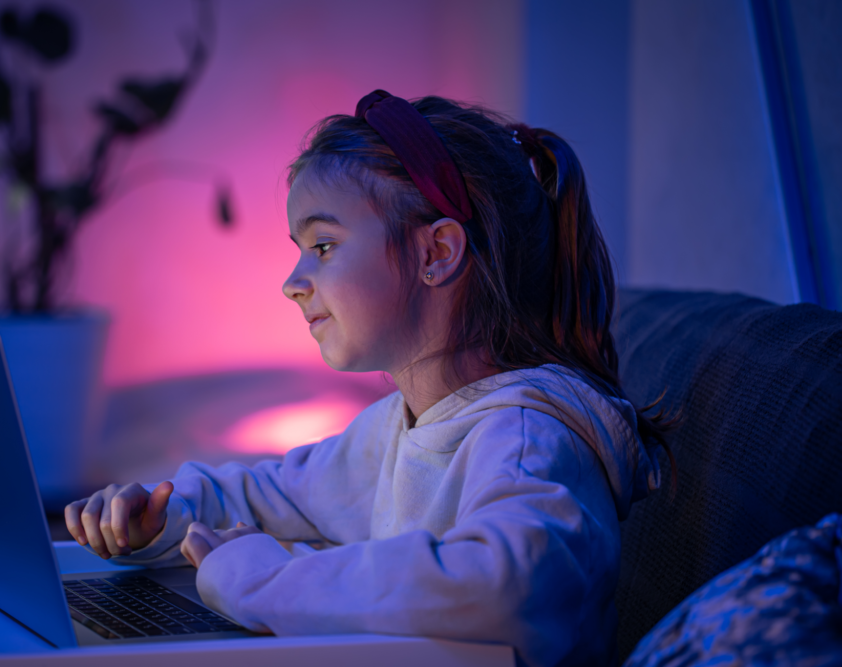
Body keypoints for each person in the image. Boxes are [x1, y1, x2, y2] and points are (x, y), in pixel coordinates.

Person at [64, 90, 673, 667]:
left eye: (323, 246)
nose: (292, 282)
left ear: (436, 253)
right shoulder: (395, 429)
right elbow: (270, 495)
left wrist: (261, 576)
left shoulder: (525, 439)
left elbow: (504, 584)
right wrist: (162, 516)